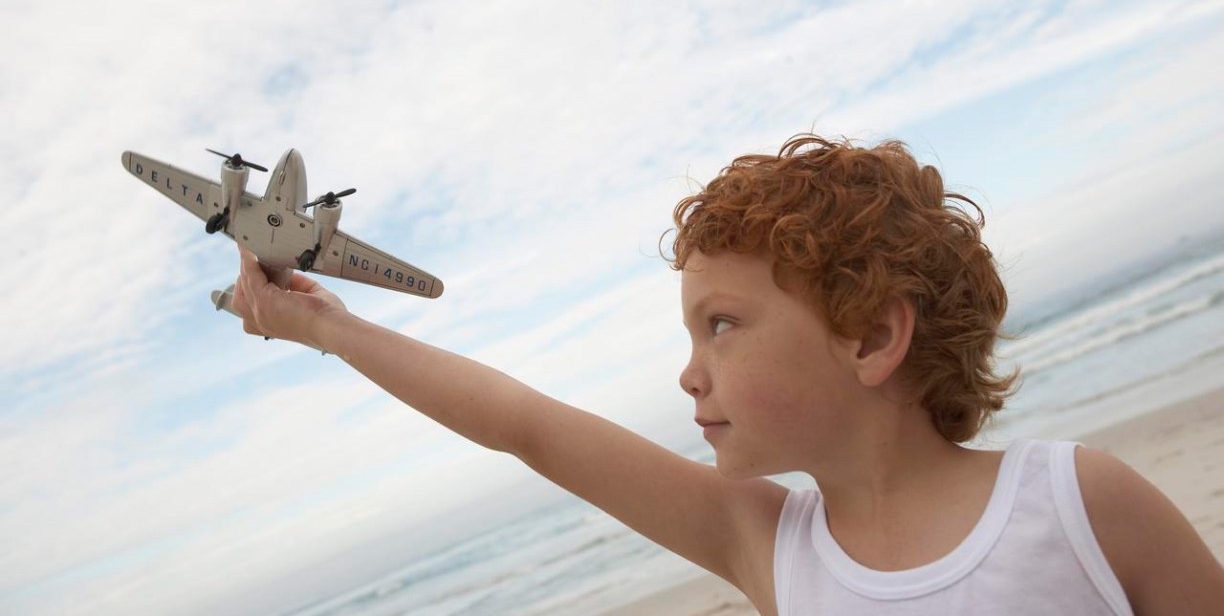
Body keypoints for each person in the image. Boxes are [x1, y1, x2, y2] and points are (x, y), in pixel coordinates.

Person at [232, 134, 1224, 615]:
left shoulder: (1077, 499)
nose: (688, 375)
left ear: (871, 336)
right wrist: (332, 331)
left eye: (722, 327)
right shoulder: (770, 547)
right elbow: (522, 423)